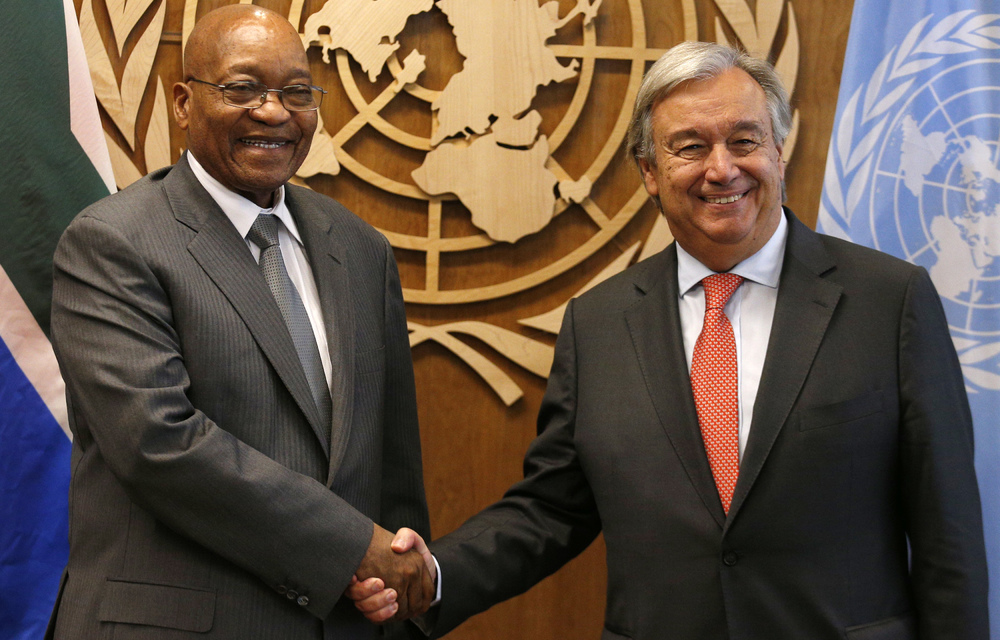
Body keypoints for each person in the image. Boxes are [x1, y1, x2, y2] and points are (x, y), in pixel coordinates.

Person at [350, 41, 990, 638]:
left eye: (745, 140)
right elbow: (552, 510)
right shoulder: (597, 325)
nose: (722, 169)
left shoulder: (889, 301)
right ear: (650, 172)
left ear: (779, 151)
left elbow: (947, 536)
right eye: (689, 147)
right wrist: (435, 577)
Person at [45, 5, 434, 639]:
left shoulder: (360, 248)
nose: (275, 112)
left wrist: (398, 578)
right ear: (182, 103)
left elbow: (392, 461)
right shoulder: (113, 242)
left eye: (297, 92)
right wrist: (350, 546)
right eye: (242, 88)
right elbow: (158, 443)